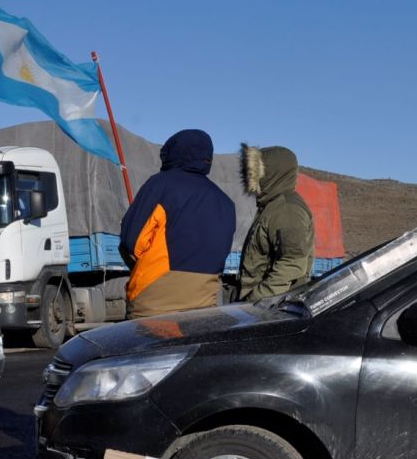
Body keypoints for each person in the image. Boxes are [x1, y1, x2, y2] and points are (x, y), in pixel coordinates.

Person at [118, 129, 235, 318]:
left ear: (171, 153)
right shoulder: (225, 202)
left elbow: (133, 242)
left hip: (155, 303)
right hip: (205, 303)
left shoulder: (160, 185)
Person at [237, 145, 315, 302]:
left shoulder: (288, 209)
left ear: (273, 173)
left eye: (257, 171)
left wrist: (256, 300)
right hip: (266, 304)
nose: (252, 177)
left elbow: (291, 264)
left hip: (272, 306)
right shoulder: (273, 205)